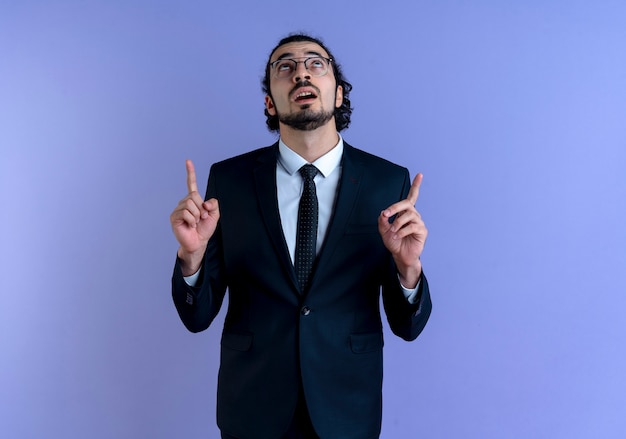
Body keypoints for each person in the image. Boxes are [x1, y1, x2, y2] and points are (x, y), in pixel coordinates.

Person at [170, 33, 432, 439]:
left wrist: (408, 268)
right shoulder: (230, 181)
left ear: (338, 94)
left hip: (347, 404)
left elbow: (407, 326)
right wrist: (192, 258)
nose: (301, 73)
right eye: (285, 67)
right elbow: (197, 316)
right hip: (253, 405)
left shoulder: (387, 182)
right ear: (270, 103)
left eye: (315, 63)